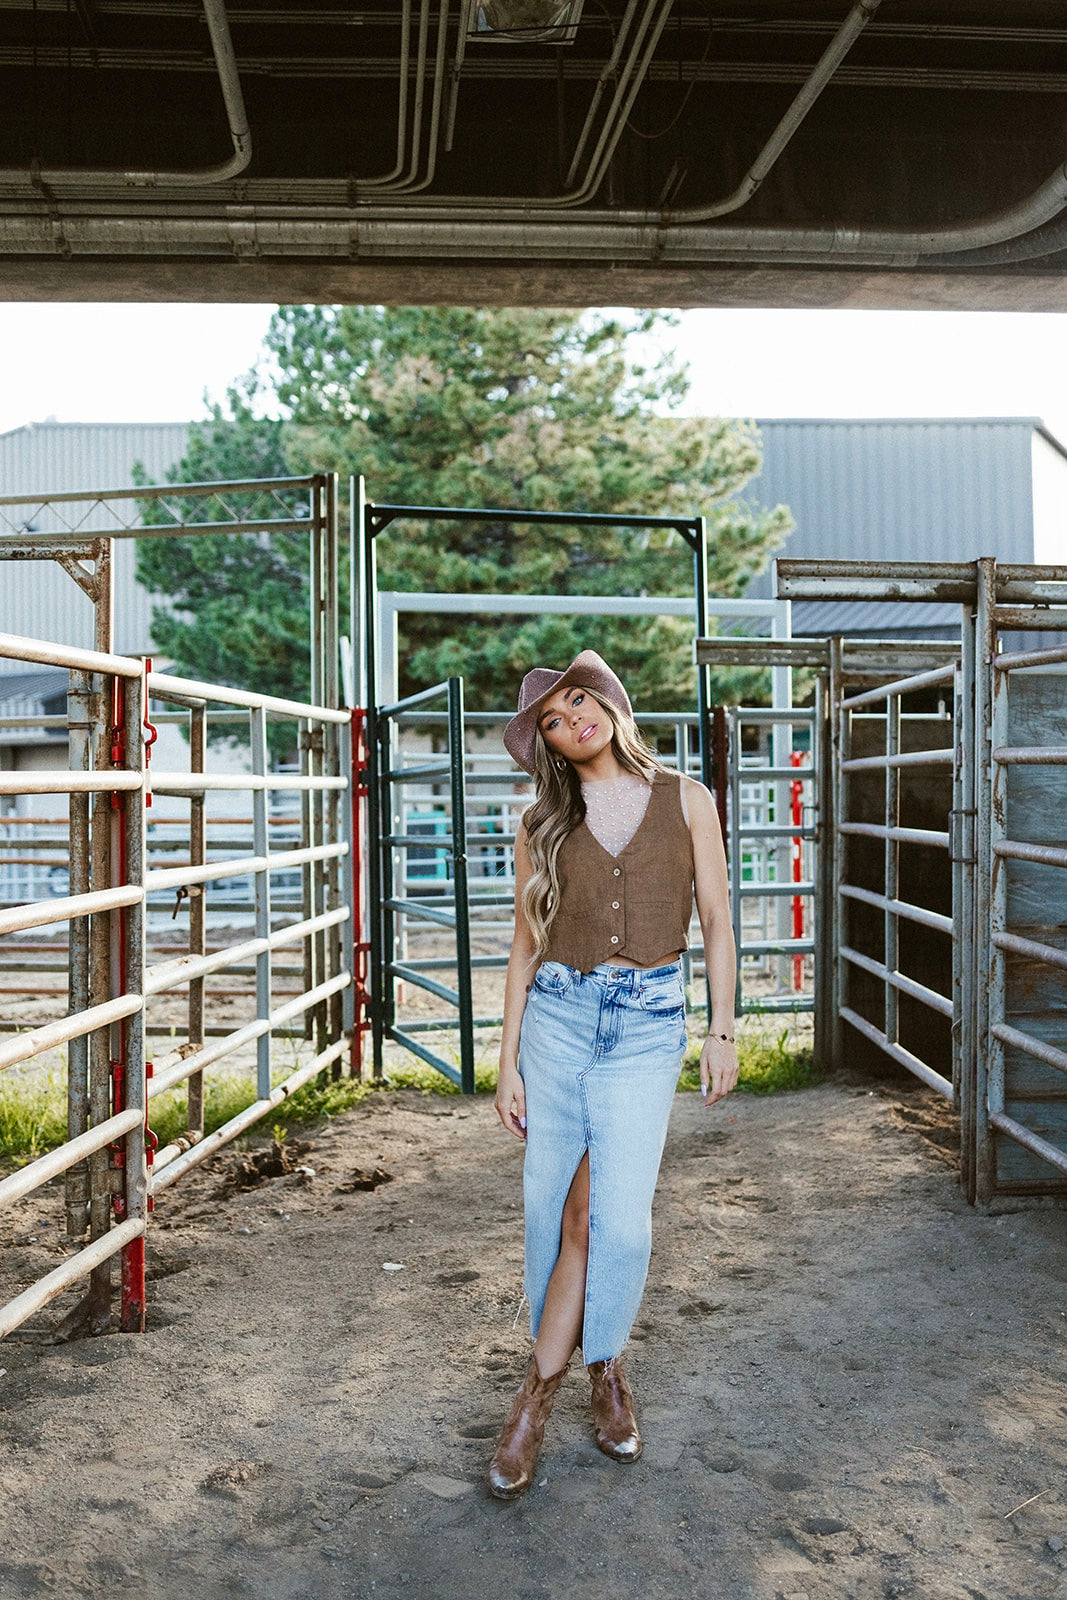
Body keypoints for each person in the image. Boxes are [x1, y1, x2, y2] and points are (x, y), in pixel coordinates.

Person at [487, 648, 739, 1500]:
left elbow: (714, 919)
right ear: (549, 748)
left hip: (646, 1027)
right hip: (556, 1023)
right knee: (551, 1214)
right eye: (552, 722)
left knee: (610, 1221)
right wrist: (506, 1060)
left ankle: (560, 1381)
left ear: (610, 702)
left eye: (577, 702)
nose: (571, 722)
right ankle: (575, 1382)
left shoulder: (688, 800)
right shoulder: (541, 825)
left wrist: (723, 1029)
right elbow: (526, 942)